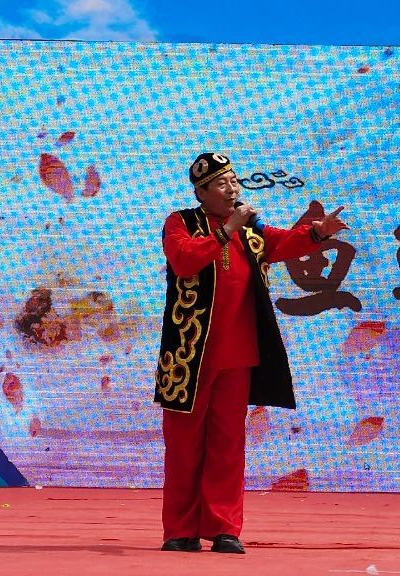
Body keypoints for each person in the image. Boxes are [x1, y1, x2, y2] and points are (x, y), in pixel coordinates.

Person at [156, 152, 348, 554]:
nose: (232, 189)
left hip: (239, 354)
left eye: (234, 181)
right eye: (222, 184)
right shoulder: (181, 223)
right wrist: (227, 230)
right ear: (201, 192)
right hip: (189, 357)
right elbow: (184, 260)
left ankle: (224, 528)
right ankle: (180, 530)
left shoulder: (251, 231)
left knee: (228, 446)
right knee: (184, 446)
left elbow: (283, 242)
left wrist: (318, 233)